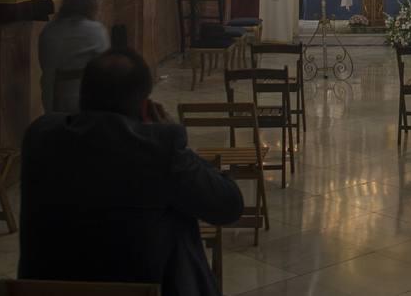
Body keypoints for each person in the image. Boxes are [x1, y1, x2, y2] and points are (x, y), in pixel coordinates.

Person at [19, 49, 244, 293]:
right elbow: (229, 205)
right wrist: (173, 141)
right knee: (176, 217)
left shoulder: (39, 136)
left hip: (46, 290)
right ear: (145, 107)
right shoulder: (159, 148)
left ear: (83, 97)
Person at [38, 0, 109, 113]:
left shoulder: (49, 31)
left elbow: (47, 74)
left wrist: (49, 111)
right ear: (92, 6)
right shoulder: (96, 31)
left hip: (58, 100)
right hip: (89, 102)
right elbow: (105, 73)